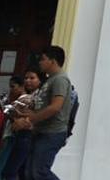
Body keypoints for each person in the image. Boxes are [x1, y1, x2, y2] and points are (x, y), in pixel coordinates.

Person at [21, 47, 73, 180]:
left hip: (52, 133)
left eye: (43, 59)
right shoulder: (50, 80)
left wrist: (32, 118)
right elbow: (44, 105)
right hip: (42, 131)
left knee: (39, 172)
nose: (40, 62)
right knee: (30, 173)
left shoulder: (60, 79)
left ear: (53, 61)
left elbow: (55, 107)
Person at [1, 71, 40, 180]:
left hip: (24, 135)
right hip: (22, 135)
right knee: (21, 172)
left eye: (32, 78)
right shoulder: (30, 97)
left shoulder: (27, 99)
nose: (28, 81)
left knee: (9, 172)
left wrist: (16, 116)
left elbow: (32, 117)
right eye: (26, 78)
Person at [0, 77, 24, 173]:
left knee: (2, 165)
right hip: (8, 134)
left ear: (21, 86)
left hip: (11, 135)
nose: (11, 89)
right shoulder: (14, 100)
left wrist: (11, 115)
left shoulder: (24, 100)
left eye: (13, 86)